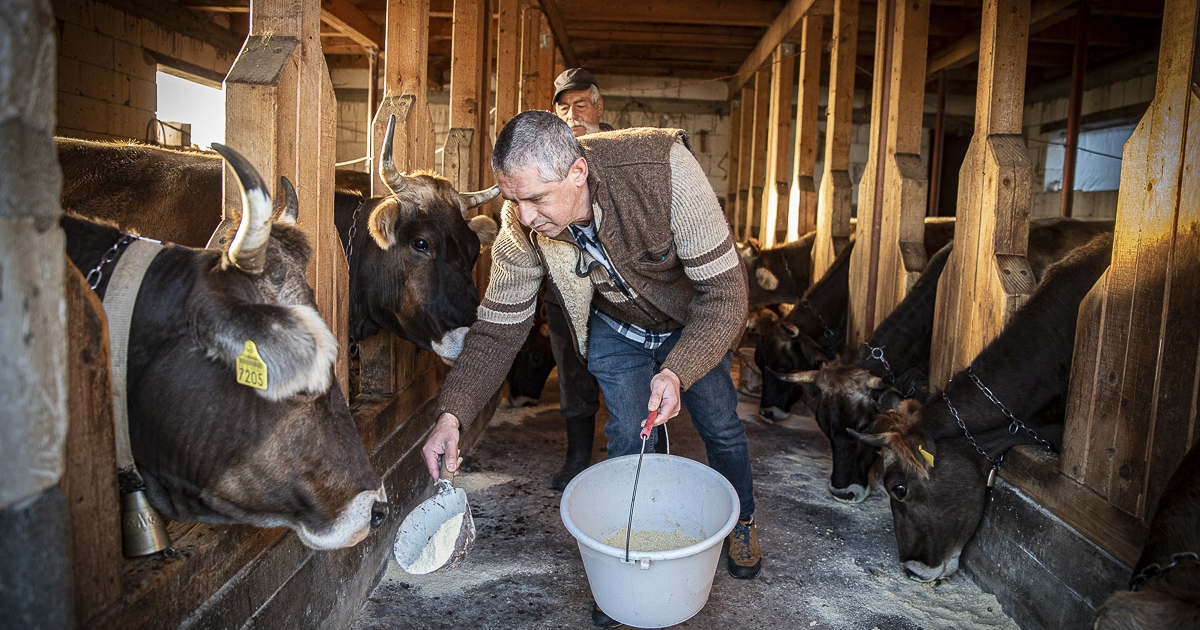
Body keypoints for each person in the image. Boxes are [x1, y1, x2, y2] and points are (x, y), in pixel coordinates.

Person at [421, 110, 761, 625]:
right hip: (617, 325)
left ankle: (742, 522)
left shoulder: (663, 169)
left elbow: (726, 294)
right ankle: (627, 565)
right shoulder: (521, 226)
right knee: (629, 431)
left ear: (577, 172)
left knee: (720, 424)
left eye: (537, 198)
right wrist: (453, 415)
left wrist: (677, 371)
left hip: (693, 320)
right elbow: (497, 330)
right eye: (513, 199)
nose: (525, 216)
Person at [543, 68, 665, 491]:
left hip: (622, 288)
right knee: (572, 369)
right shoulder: (545, 157)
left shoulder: (624, 149)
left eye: (580, 104)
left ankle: (638, 452)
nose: (572, 115)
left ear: (598, 106)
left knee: (631, 373)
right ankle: (577, 456)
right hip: (565, 287)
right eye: (563, 108)